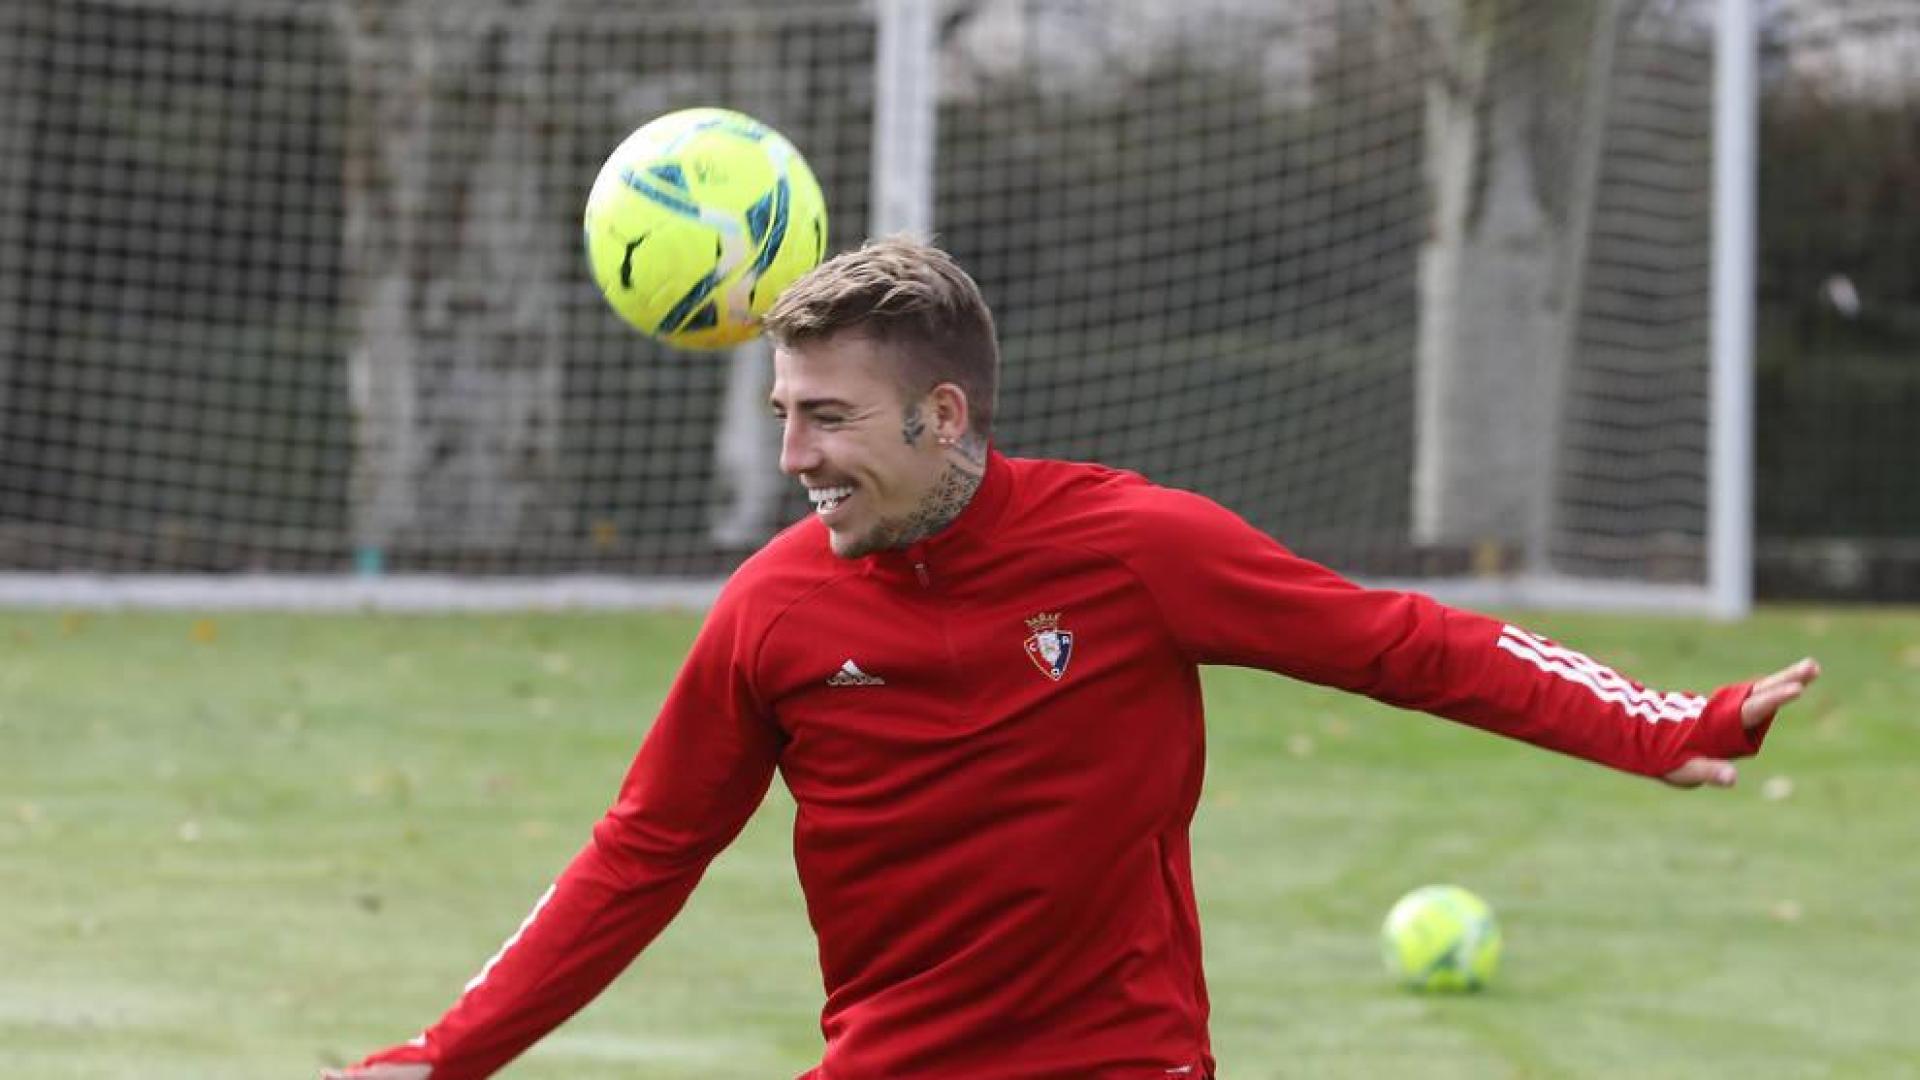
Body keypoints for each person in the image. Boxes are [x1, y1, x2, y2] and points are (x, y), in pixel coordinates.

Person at [324, 237, 1818, 1080]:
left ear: (946, 419)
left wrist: (1663, 723)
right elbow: (640, 853)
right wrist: (442, 1058)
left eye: (827, 418)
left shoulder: (1137, 550)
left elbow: (1400, 641)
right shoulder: (771, 616)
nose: (794, 456)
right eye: (784, 413)